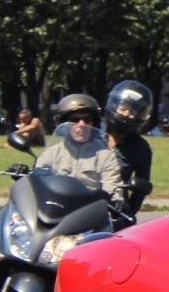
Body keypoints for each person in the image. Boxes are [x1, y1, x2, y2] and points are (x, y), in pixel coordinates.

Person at [34, 94, 123, 196]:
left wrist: (115, 199)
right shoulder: (52, 153)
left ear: (94, 123)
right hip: (57, 208)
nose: (81, 124)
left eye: (87, 120)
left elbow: (113, 187)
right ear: (63, 123)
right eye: (74, 120)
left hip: (90, 209)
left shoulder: (106, 156)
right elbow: (39, 180)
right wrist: (23, 175)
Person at [103, 80, 154, 218]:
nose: (127, 114)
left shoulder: (140, 148)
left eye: (133, 112)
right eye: (123, 109)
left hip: (113, 210)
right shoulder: (93, 136)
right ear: (113, 106)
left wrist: (128, 214)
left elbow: (141, 187)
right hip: (83, 205)